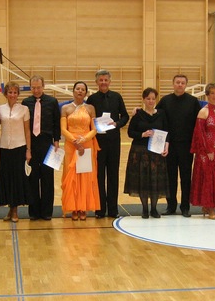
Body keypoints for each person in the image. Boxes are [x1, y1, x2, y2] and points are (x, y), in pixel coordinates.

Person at [86, 69, 129, 219]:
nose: (103, 82)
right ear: (96, 82)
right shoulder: (91, 99)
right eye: (101, 80)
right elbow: (87, 118)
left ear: (110, 81)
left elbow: (125, 116)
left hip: (113, 142)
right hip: (97, 142)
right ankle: (100, 209)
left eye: (106, 80)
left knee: (113, 175)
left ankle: (113, 210)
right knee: (98, 176)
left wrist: (117, 124)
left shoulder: (117, 97)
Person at [156, 74, 201, 218]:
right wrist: (138, 111)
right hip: (169, 145)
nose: (180, 85)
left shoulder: (193, 101)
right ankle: (171, 206)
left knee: (186, 177)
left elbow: (199, 124)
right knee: (170, 177)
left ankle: (185, 207)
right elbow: (155, 116)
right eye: (177, 82)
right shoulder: (165, 101)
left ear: (186, 85)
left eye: (182, 83)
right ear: (173, 84)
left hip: (187, 146)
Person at [124, 87, 169, 219]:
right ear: (143, 99)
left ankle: (154, 209)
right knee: (143, 180)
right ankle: (144, 209)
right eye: (148, 98)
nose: (151, 101)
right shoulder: (138, 114)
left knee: (155, 180)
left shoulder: (161, 114)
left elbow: (167, 131)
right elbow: (130, 132)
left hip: (156, 152)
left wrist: (166, 146)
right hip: (140, 152)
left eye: (153, 99)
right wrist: (142, 134)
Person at [22, 75, 61, 221]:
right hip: (31, 144)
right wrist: (27, 147)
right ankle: (34, 212)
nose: (36, 90)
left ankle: (46, 211)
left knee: (47, 178)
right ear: (30, 87)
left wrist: (56, 140)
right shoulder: (26, 102)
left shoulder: (52, 101)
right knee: (32, 178)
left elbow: (56, 123)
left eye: (38, 87)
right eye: (33, 88)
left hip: (47, 143)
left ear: (43, 86)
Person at [60, 81, 100, 221]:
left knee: (85, 176)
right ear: (73, 91)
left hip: (86, 144)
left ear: (86, 93)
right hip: (71, 145)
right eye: (78, 89)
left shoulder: (90, 108)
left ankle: (83, 207)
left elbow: (94, 129)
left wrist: (84, 139)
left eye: (83, 89)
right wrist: (74, 141)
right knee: (71, 176)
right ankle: (73, 208)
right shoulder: (65, 108)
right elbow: (63, 129)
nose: (80, 91)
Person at [189, 83, 215, 220]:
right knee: (208, 178)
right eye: (212, 93)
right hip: (206, 152)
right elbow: (199, 134)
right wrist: (208, 150)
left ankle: (209, 206)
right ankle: (210, 208)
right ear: (207, 95)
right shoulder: (203, 111)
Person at [0, 82, 32, 222]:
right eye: (10, 92)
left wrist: (28, 150)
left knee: (17, 179)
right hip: (5, 148)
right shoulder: (0, 109)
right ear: (6, 94)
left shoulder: (24, 109)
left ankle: (15, 210)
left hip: (19, 147)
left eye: (15, 92)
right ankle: (10, 209)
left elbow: (27, 131)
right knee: (6, 178)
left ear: (18, 94)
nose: (12, 95)